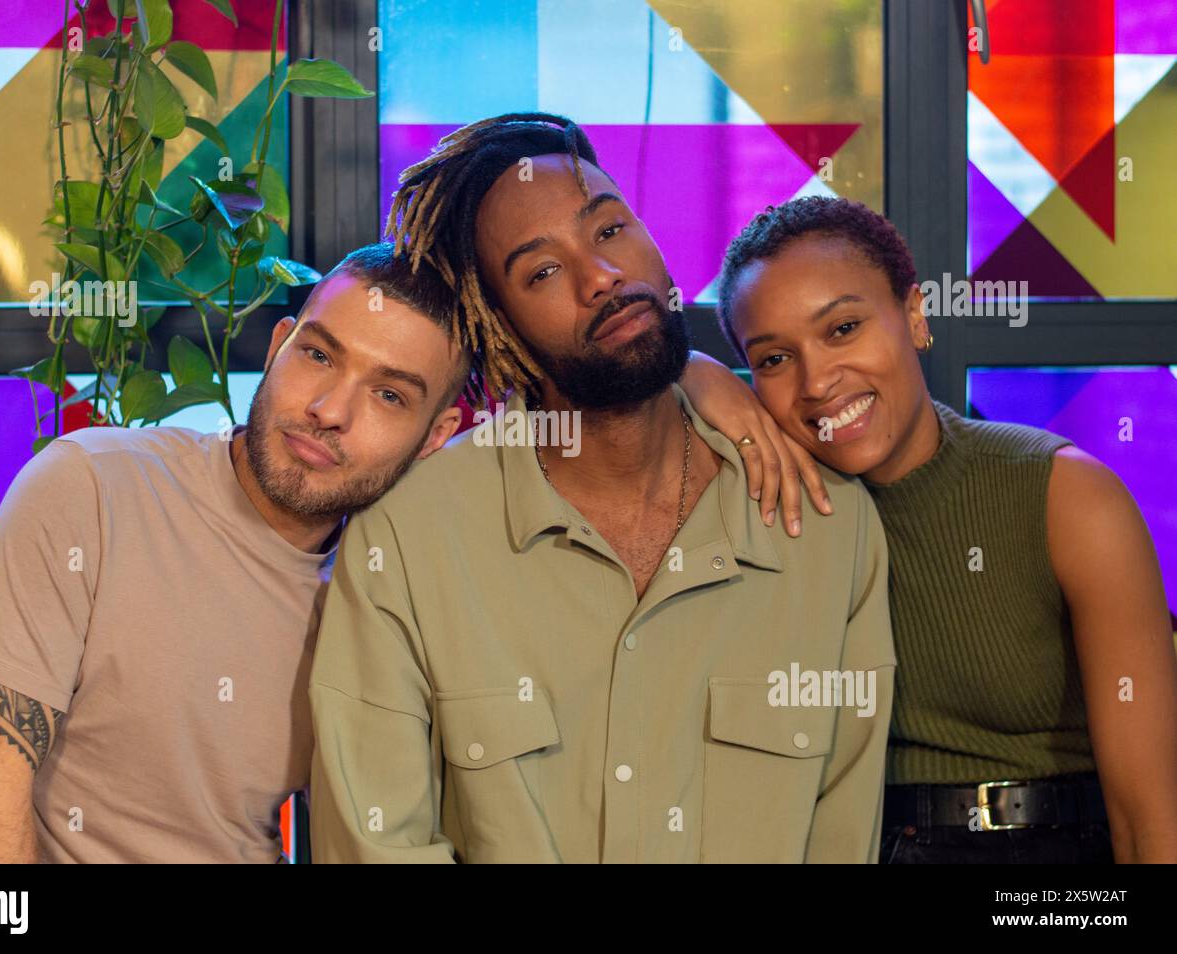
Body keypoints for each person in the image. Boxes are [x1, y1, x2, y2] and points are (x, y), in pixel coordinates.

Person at [308, 114, 895, 863]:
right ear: (502, 328)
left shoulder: (826, 527)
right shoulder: (409, 542)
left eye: (611, 230)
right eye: (543, 272)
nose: (603, 279)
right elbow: (376, 845)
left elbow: (843, 840)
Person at [682, 195, 1177, 863]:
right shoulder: (762, 502)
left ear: (915, 315)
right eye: (774, 360)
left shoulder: (1064, 496)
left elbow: (1149, 822)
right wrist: (691, 371)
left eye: (844, 328)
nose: (819, 381)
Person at [0, 244, 471, 862]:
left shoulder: (385, 595)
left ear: (436, 435)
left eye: (388, 397)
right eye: (319, 355)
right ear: (277, 347)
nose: (329, 411)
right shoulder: (90, 489)